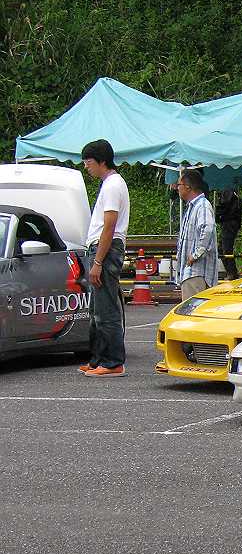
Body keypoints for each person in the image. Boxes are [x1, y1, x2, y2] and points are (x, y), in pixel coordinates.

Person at [78, 139, 129, 377]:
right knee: (97, 308)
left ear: (102, 161)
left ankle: (113, 362)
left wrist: (98, 261)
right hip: (103, 248)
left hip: (106, 249)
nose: (86, 166)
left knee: (105, 309)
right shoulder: (110, 184)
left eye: (88, 162)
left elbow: (109, 226)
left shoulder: (112, 185)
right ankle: (98, 359)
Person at [173, 169, 220, 300]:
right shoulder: (193, 206)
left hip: (196, 273)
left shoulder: (202, 205)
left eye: (179, 185)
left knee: (191, 311)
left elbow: (207, 228)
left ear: (188, 187)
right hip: (191, 273)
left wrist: (195, 255)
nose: (177, 188)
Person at [215, 186, 242, 281]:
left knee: (226, 249)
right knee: (221, 248)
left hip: (229, 224)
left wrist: (218, 214)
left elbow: (225, 205)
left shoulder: (228, 191)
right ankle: (231, 272)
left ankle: (232, 273)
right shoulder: (233, 193)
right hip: (230, 223)